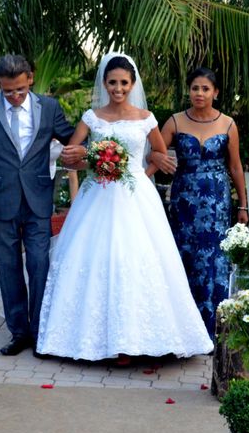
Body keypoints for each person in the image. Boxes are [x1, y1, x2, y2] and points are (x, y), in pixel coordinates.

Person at [35, 53, 213, 362]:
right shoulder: (92, 117)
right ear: (105, 83)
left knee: (137, 259)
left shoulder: (146, 118)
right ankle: (88, 339)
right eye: (113, 82)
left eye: (124, 83)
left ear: (132, 85)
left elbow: (158, 151)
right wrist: (84, 157)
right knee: (97, 259)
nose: (118, 88)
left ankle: (134, 340)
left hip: (135, 196)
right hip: (97, 195)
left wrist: (143, 174)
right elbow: (72, 156)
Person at [0, 54, 76, 357]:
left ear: (30, 78)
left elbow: (72, 139)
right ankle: (19, 333)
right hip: (0, 203)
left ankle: (41, 333)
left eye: (20, 90)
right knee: (9, 267)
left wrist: (101, 143)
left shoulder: (50, 107)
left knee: (39, 264)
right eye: (7, 91)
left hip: (38, 199)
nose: (14, 97)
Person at [150, 67, 248, 339]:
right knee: (183, 256)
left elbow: (236, 167)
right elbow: (153, 153)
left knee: (215, 260)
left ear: (215, 93)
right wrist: (152, 167)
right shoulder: (175, 122)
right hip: (184, 200)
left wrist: (243, 205)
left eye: (205, 89)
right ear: (189, 91)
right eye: (195, 88)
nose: (199, 93)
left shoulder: (228, 124)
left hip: (217, 203)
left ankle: (212, 329)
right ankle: (181, 328)